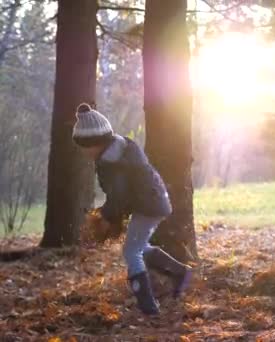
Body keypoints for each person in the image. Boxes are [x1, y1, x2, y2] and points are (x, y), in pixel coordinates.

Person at [72, 103, 192, 315]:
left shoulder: (110, 161)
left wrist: (107, 217)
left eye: (84, 147)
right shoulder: (121, 148)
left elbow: (119, 195)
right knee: (140, 246)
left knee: (131, 252)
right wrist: (111, 211)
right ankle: (180, 273)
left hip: (149, 205)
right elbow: (123, 192)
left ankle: (148, 307)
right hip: (155, 200)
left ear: (94, 142)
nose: (84, 152)